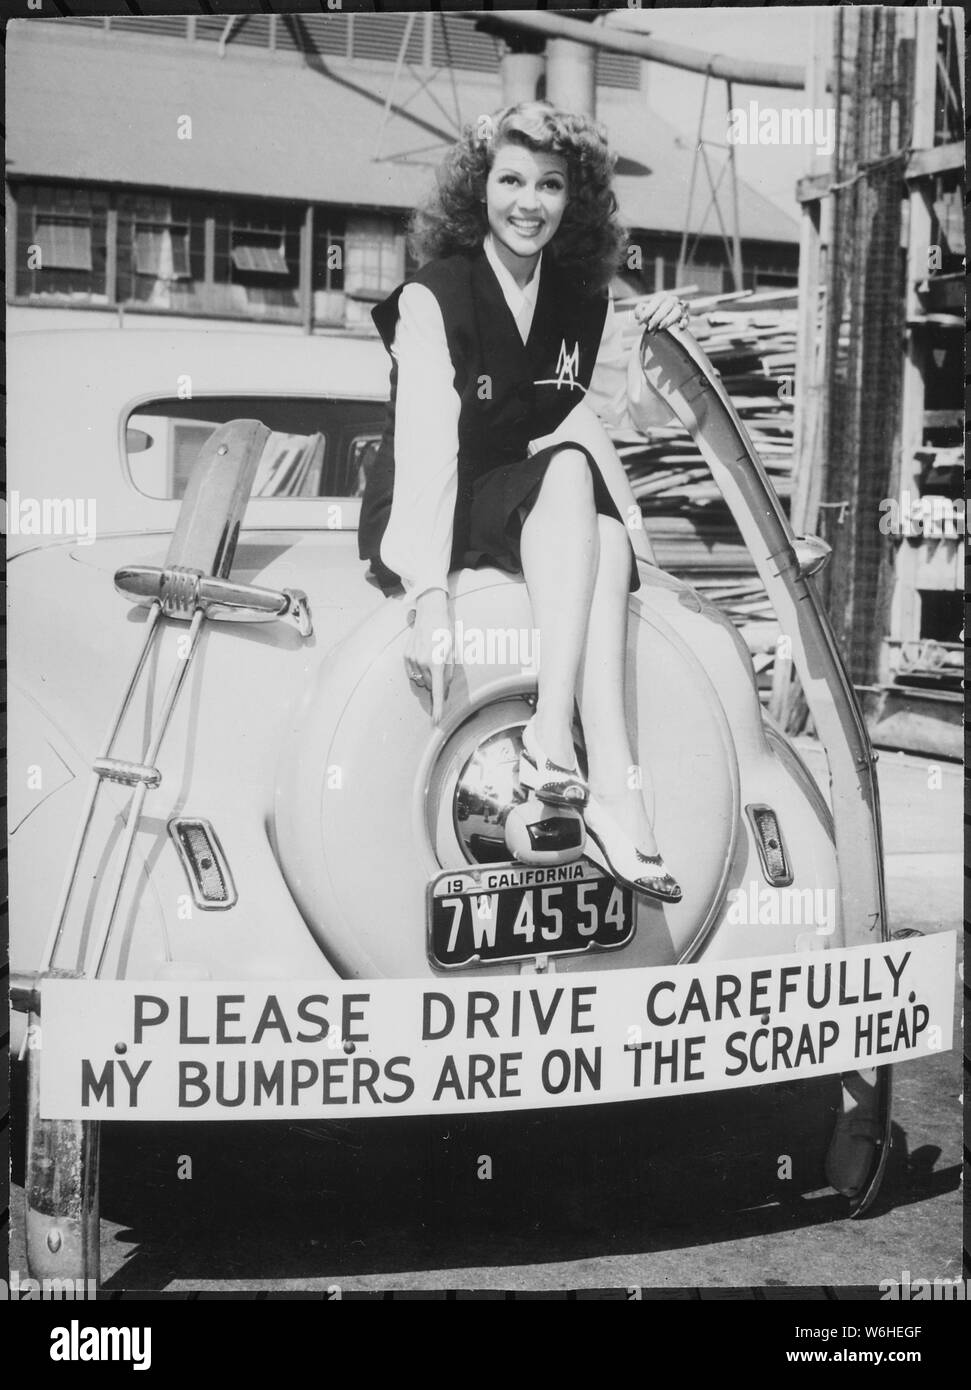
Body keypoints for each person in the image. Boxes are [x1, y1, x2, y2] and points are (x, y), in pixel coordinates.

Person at [359, 100, 689, 902]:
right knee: (572, 472)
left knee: (605, 536)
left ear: (572, 201)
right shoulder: (432, 296)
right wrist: (428, 600)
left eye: (548, 185)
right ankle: (553, 739)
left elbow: (636, 420)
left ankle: (611, 789)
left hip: (514, 498)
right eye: (510, 179)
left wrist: (655, 346)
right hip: (425, 502)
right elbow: (431, 447)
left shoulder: (580, 300)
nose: (527, 202)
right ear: (480, 189)